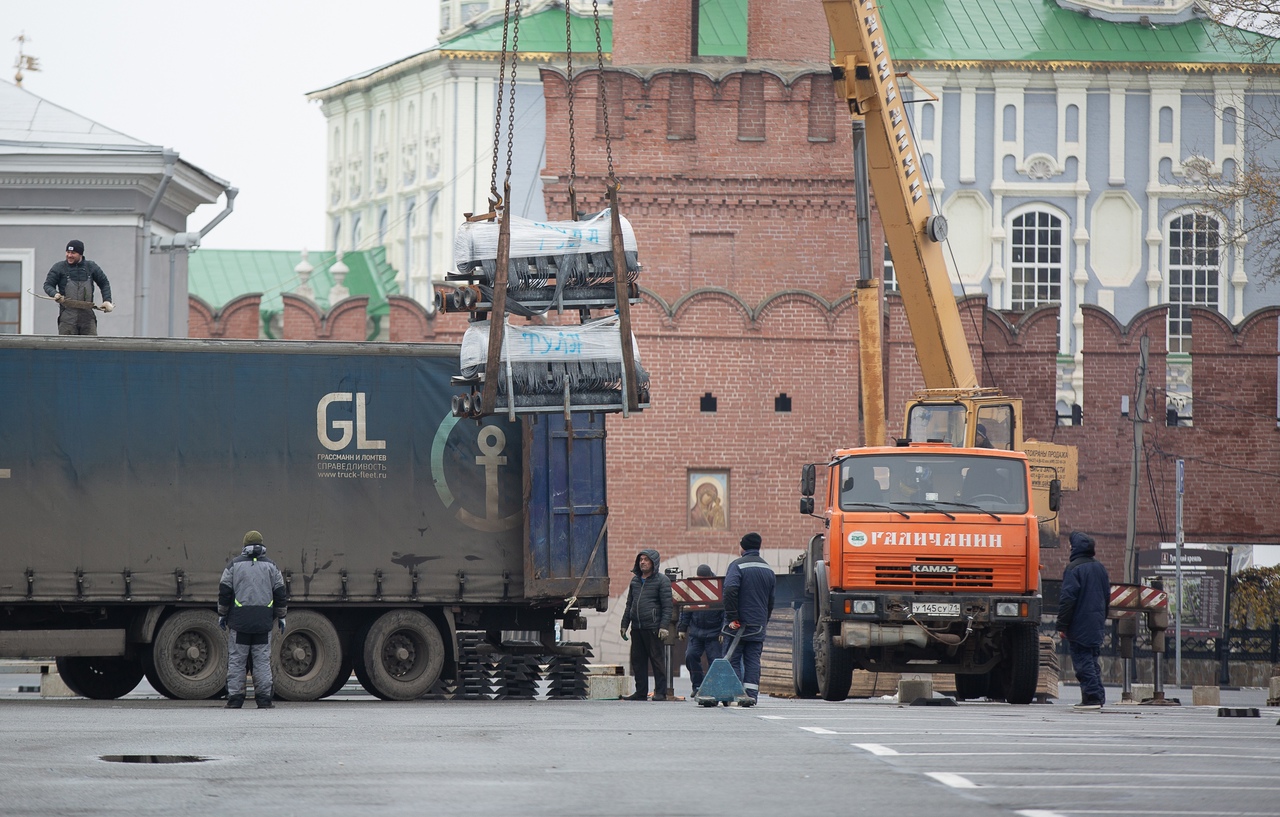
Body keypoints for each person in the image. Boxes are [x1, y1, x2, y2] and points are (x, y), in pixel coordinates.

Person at [217, 531, 287, 709]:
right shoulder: (272, 566)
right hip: (263, 623)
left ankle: (235, 699)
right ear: (262, 544)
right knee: (262, 661)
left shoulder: (234, 565)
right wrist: (282, 616)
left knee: (237, 660)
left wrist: (222, 614)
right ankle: (264, 700)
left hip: (239, 623)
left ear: (244, 545)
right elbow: (280, 593)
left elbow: (224, 592)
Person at [1058, 531, 1110, 710]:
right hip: (1095, 622)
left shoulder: (1073, 569)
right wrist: (1102, 618)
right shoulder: (1100, 568)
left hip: (1079, 623)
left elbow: (1067, 599)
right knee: (1092, 660)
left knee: (1083, 661)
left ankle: (1092, 698)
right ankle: (1097, 696)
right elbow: (1106, 596)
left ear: (1075, 548)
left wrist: (1062, 625)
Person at [723, 532, 776, 703]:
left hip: (739, 625)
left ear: (743, 547)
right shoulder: (768, 569)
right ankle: (751, 695)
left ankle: (738, 694)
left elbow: (730, 590)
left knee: (734, 657)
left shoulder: (737, 566)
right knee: (753, 659)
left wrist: (732, 617)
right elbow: (771, 600)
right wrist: (764, 620)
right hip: (758, 623)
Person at [619, 548, 673, 701]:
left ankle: (661, 693)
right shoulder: (635, 581)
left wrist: (663, 626)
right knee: (638, 661)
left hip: (653, 628)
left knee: (657, 660)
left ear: (653, 562)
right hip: (637, 628)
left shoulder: (662, 581)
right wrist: (624, 624)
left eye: (646, 559)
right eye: (640, 559)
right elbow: (629, 604)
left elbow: (667, 606)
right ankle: (641, 692)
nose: (642, 562)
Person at [43, 239, 113, 336]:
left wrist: (107, 300)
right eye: (68, 252)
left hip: (88, 319)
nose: (69, 255)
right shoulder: (59, 267)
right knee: (67, 348)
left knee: (91, 347)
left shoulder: (91, 267)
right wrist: (54, 294)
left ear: (80, 254)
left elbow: (104, 283)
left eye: (73, 253)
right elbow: (47, 285)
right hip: (67, 319)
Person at [677, 564, 726, 694]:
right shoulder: (694, 587)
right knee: (690, 656)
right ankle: (698, 686)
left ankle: (714, 689)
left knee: (715, 661)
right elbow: (687, 608)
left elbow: (726, 611)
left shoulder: (719, 588)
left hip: (714, 633)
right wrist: (682, 628)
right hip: (696, 632)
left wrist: (723, 630)